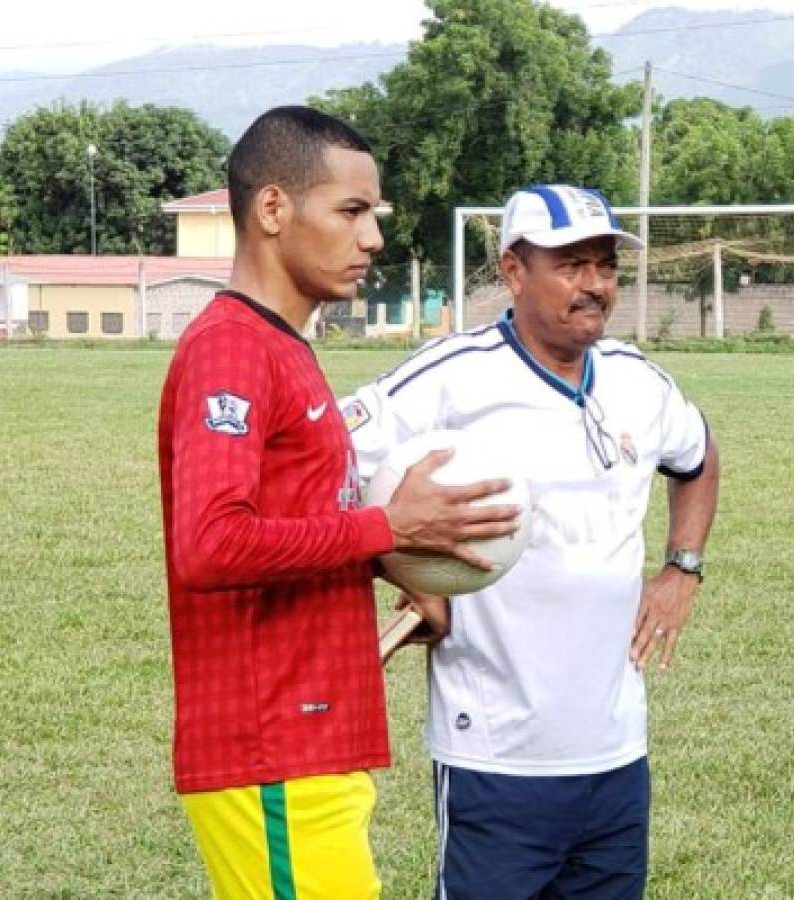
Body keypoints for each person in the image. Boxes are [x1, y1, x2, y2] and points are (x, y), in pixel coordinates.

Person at [157, 105, 519, 900]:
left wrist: (394, 563)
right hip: (270, 747)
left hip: (310, 743)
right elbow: (210, 544)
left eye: (374, 215)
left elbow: (296, 523)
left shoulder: (286, 346)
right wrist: (389, 527)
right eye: (351, 211)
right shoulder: (231, 348)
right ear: (274, 209)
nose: (373, 238)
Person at [342, 184, 721, 899]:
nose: (595, 286)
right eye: (571, 265)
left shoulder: (638, 381)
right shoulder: (453, 378)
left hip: (616, 755)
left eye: (605, 266)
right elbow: (318, 459)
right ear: (513, 271)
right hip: (495, 758)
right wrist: (397, 561)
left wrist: (683, 567)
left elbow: (697, 457)